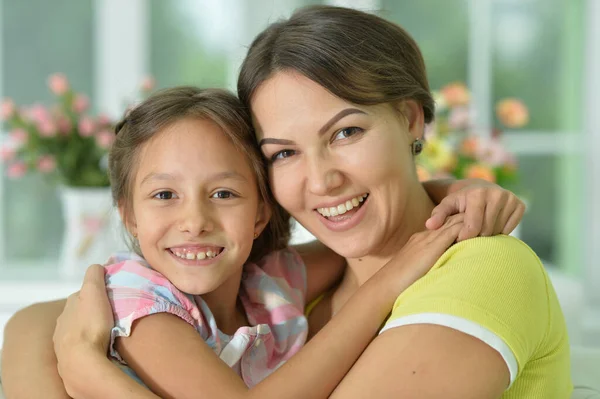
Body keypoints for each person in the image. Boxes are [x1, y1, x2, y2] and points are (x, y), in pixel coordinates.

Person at [0, 5, 553, 399]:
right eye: (284, 153)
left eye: (346, 133)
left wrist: (94, 379)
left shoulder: (482, 270)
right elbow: (34, 323)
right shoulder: (295, 287)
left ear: (410, 119)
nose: (322, 181)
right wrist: (444, 194)